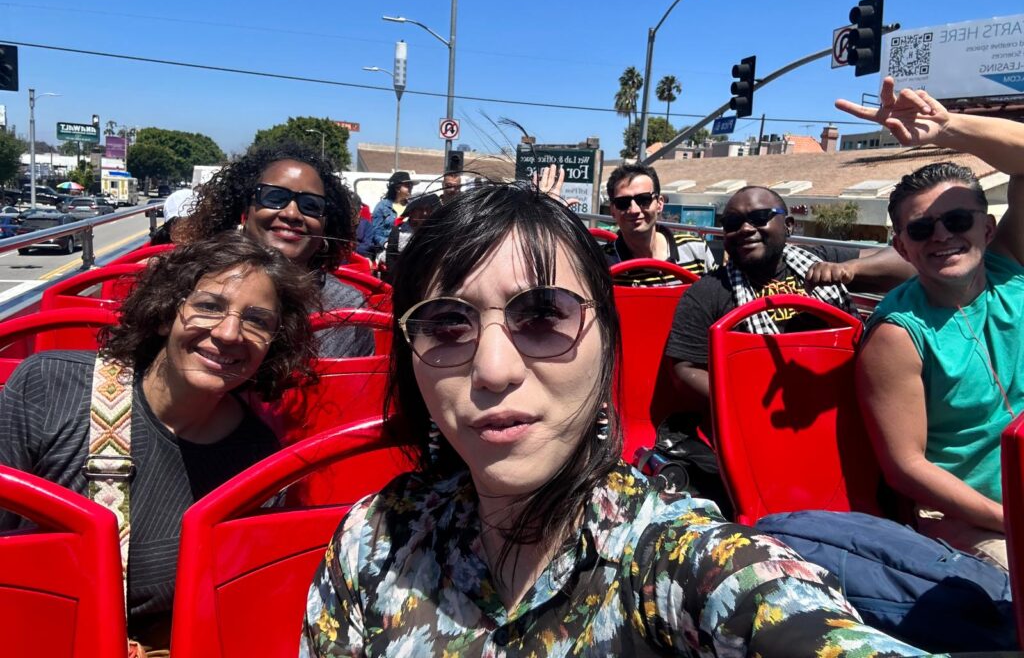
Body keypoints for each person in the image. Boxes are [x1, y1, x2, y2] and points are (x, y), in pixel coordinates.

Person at [300, 182, 925, 656]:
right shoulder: (375, 540)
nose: (492, 370)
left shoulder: (679, 562)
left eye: (544, 316)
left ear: (608, 348)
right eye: (445, 323)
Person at [0, 232, 318, 649]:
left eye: (257, 321)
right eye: (209, 306)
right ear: (168, 313)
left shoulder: (256, 462)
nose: (228, 332)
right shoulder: (49, 385)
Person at [841, 78, 1024, 571]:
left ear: (986, 229)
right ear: (902, 247)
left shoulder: (1011, 269)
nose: (942, 236)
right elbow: (908, 468)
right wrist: (1011, 519)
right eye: (922, 229)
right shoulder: (898, 334)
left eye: (958, 221)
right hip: (977, 520)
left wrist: (949, 127)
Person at [665, 186, 914, 418]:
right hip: (765, 414)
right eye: (732, 222)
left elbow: (909, 264)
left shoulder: (819, 260)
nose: (745, 229)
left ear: (789, 226)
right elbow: (683, 370)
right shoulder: (708, 292)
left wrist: (851, 269)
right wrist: (746, 401)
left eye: (760, 217)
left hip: (842, 401)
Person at [177, 143, 373, 358]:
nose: (292, 213)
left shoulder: (349, 307)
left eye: (311, 205)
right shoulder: (193, 280)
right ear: (245, 210)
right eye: (274, 197)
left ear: (326, 224)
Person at [602, 163, 716, 285]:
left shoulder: (695, 249)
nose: (634, 210)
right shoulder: (600, 261)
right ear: (613, 210)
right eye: (623, 203)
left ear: (659, 204)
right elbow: (587, 304)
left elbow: (718, 300)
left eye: (644, 200)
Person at [383, 191, 440, 281]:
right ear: (411, 212)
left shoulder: (435, 232)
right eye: (420, 209)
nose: (424, 213)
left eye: (427, 209)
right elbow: (391, 259)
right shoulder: (398, 232)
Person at [368, 170, 416, 256]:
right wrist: (386, 243)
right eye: (407, 185)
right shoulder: (382, 206)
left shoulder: (414, 205)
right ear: (397, 188)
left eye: (411, 185)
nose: (411, 187)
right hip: (386, 251)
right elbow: (375, 231)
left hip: (409, 250)